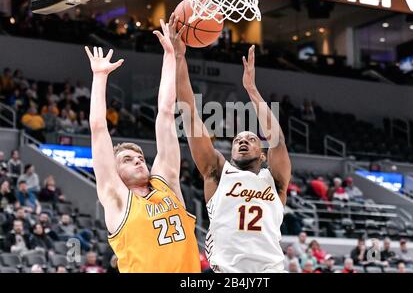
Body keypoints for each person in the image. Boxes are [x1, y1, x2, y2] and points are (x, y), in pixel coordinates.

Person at [84, 14, 199, 273]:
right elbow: (99, 129)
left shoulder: (165, 182)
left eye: (139, 158)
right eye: (127, 159)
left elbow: (166, 112)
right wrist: (99, 77)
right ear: (114, 172)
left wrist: (170, 56)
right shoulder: (116, 199)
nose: (138, 160)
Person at [175, 36, 291, 272]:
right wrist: (179, 58)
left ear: (262, 156)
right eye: (238, 140)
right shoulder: (217, 172)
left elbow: (277, 140)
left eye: (251, 139)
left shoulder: (275, 180)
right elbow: (190, 116)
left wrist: (252, 90)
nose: (243, 142)